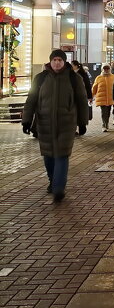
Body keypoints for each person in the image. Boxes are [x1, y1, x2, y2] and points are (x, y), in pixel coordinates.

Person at [21, 50, 89, 202]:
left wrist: (83, 122)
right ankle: (53, 181)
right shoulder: (41, 78)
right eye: (54, 60)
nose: (57, 62)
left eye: (60, 60)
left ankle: (59, 188)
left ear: (65, 62)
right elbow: (31, 99)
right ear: (50, 61)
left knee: (61, 155)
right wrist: (26, 120)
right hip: (44, 124)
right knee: (48, 156)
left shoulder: (74, 78)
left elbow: (82, 100)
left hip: (66, 124)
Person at [92, 64, 114, 132]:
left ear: (109, 69)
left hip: (111, 98)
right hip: (102, 98)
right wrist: (91, 96)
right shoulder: (98, 77)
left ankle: (106, 123)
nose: (106, 70)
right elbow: (94, 87)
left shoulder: (113, 77)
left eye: (107, 68)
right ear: (102, 69)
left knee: (108, 112)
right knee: (104, 112)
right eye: (104, 68)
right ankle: (104, 125)